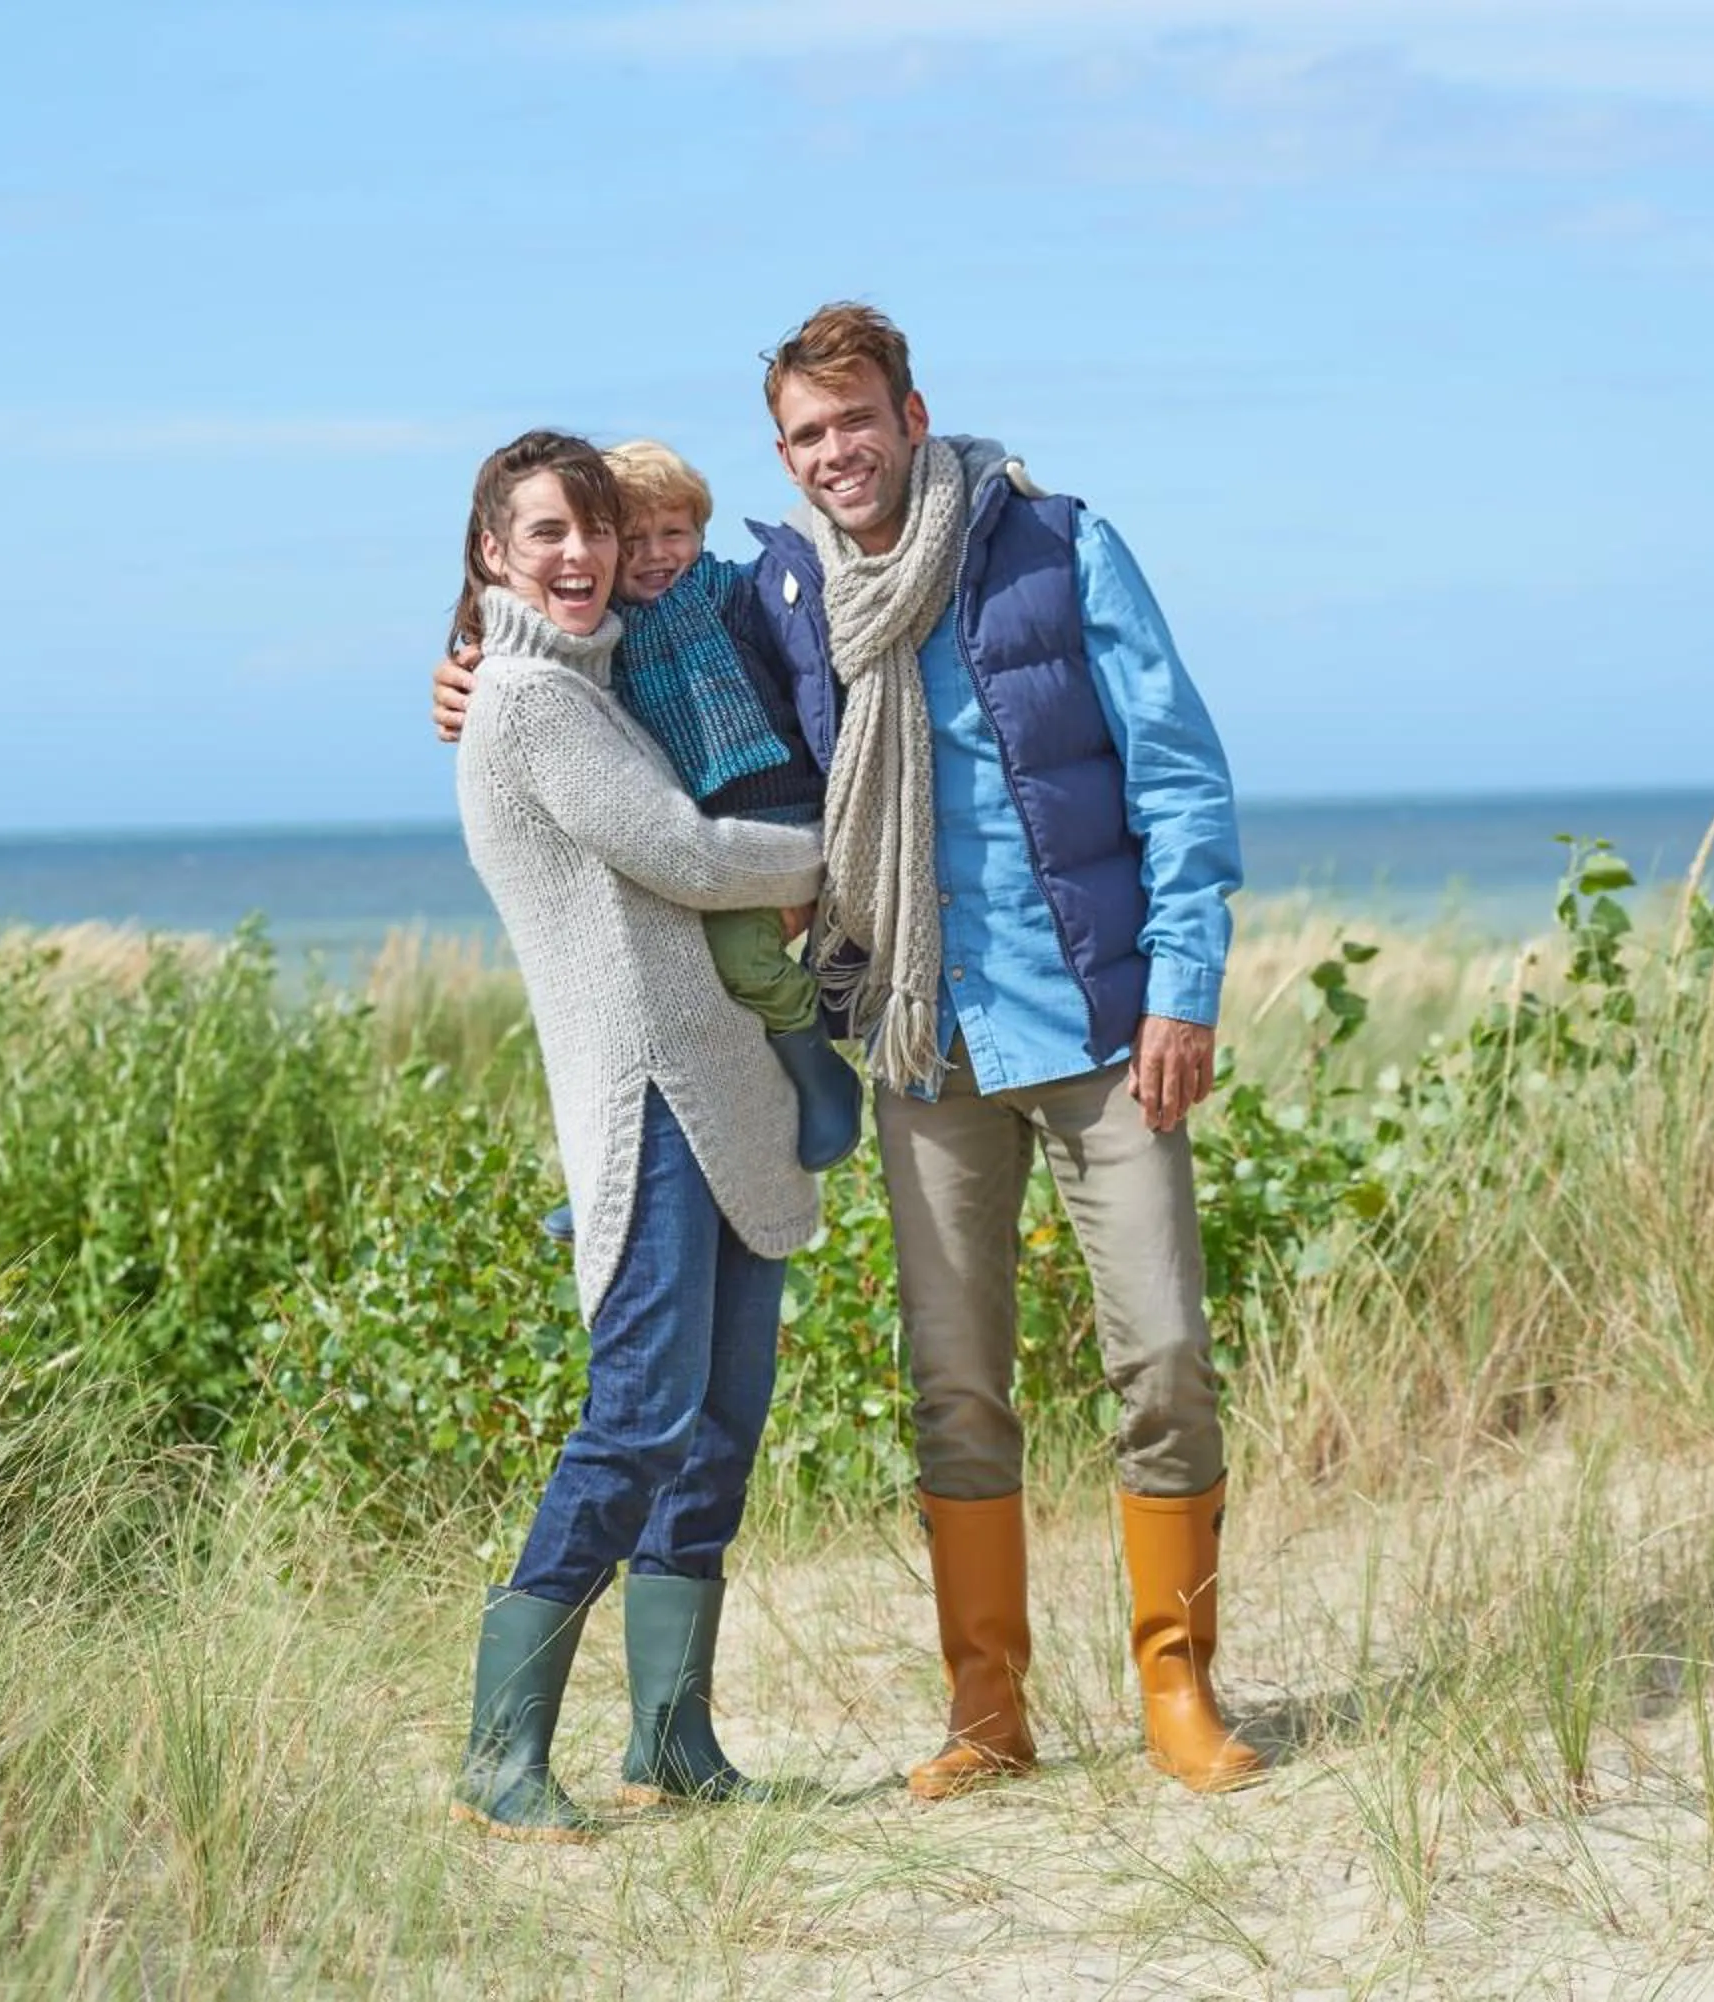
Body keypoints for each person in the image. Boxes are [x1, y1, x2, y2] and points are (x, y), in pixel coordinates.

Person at [432, 305, 1259, 1799]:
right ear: (784, 454)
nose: (836, 453)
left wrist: (1182, 988)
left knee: (1164, 1356)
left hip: (1090, 1016)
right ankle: (988, 1714)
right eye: (807, 435)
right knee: (955, 1387)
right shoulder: (787, 592)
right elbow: (633, 656)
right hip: (922, 1037)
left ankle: (1178, 1689)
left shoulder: (1055, 545)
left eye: (855, 421)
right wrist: (465, 666)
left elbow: (1179, 772)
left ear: (911, 415)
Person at [445, 430, 827, 1842]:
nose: (582, 554)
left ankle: (673, 1737)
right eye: (547, 531)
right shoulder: (530, 702)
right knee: (641, 1417)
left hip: (728, 1090)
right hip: (647, 1102)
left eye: (596, 529)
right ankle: (501, 1752)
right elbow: (690, 853)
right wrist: (849, 850)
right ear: (494, 552)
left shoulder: (606, 681)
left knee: (718, 1425)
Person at [529, 437, 861, 1246]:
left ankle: (821, 1072)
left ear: (701, 531)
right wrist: (467, 662)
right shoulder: (605, 636)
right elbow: (532, 649)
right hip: (693, 832)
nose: (655, 555)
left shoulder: (736, 597)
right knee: (640, 989)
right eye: (633, 538)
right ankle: (619, 1172)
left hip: (778, 813)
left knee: (742, 960)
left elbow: (817, 660)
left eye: (672, 533)